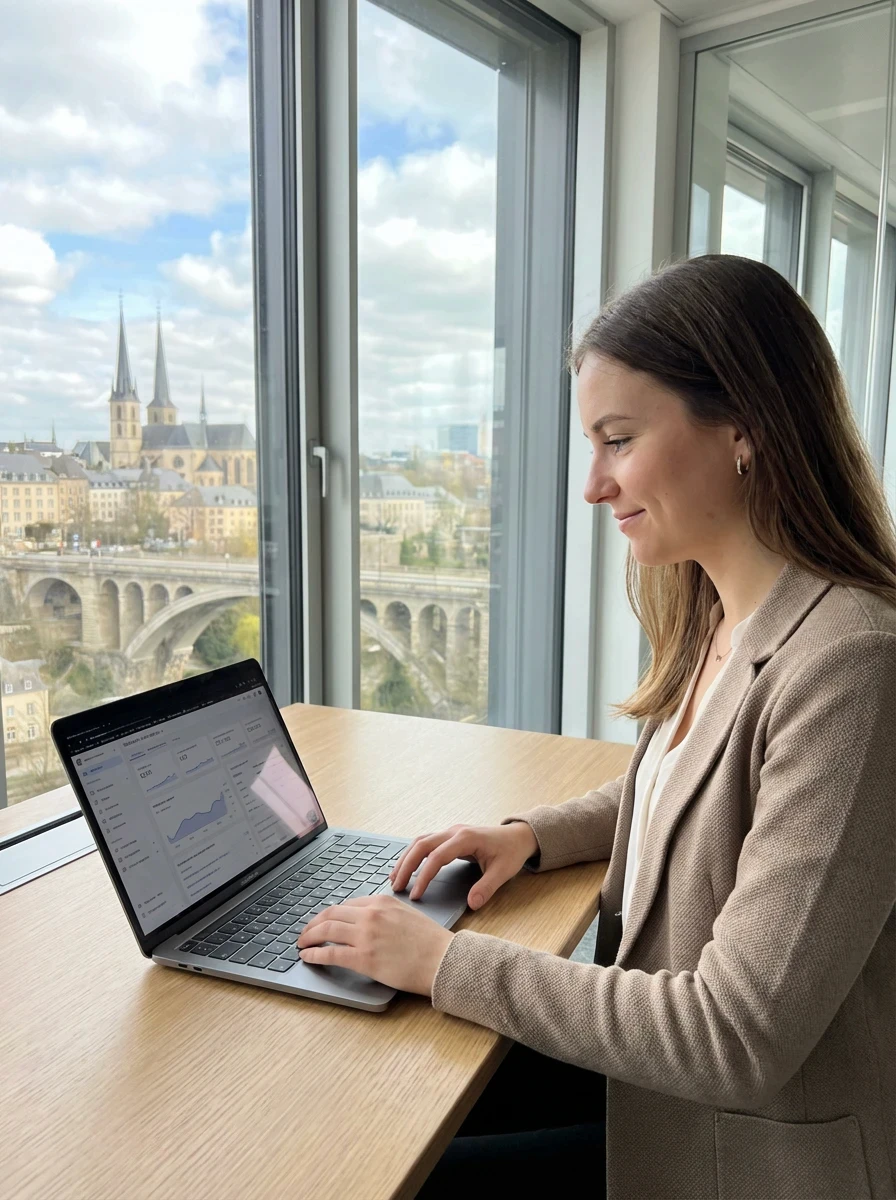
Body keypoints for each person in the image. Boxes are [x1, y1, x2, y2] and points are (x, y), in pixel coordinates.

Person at [296, 255, 896, 1200]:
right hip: (655, 1084)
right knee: (361, 1100)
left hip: (741, 1150)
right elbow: (695, 786)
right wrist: (533, 836)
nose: (594, 486)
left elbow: (734, 1037)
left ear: (744, 427)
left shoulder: (853, 668)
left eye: (618, 439)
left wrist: (443, 959)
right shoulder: (723, 610)